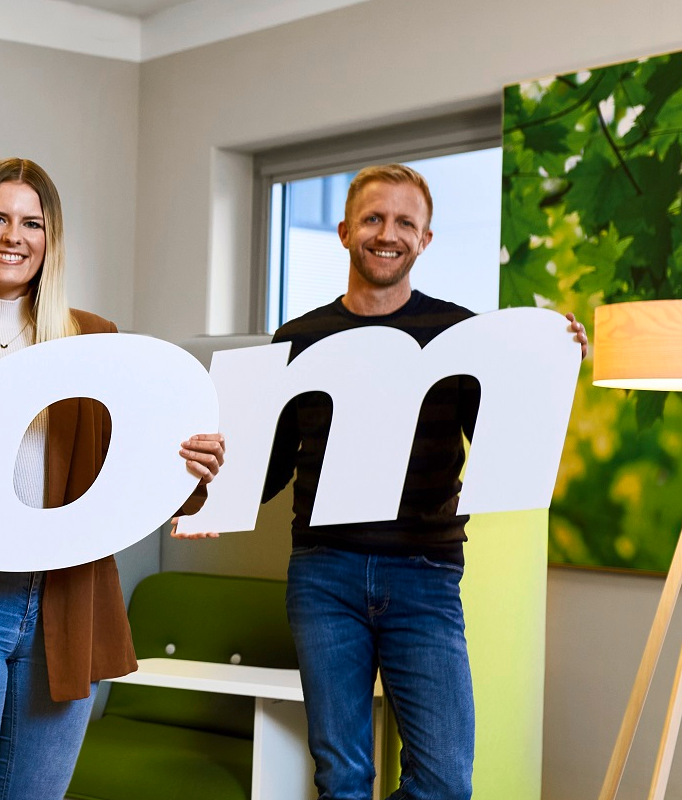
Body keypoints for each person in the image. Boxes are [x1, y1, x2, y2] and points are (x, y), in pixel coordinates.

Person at [0, 158, 225, 800]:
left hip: (66, 606)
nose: (14, 236)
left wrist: (191, 470)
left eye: (31, 223)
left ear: (51, 240)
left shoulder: (92, 340)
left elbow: (129, 469)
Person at [258, 164, 584, 800]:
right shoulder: (298, 339)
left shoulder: (459, 335)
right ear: (346, 229)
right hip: (325, 576)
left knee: (443, 782)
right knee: (343, 779)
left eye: (405, 222)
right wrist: (202, 485)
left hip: (426, 577)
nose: (388, 233)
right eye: (374, 218)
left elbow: (503, 440)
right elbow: (266, 469)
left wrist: (552, 366)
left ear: (426, 239)